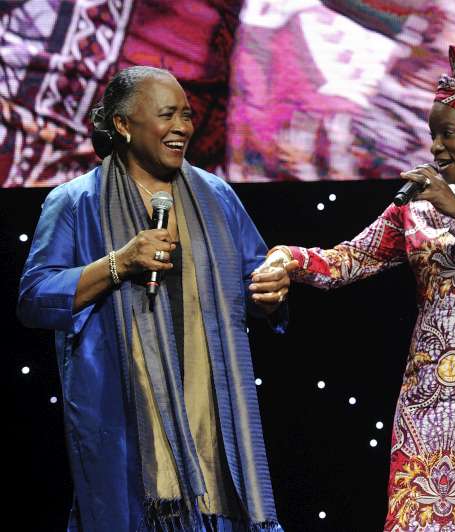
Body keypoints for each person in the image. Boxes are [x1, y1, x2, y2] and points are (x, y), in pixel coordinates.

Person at [266, 46, 455, 530]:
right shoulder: (416, 207)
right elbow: (347, 260)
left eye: (448, 133)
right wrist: (287, 256)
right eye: (432, 135)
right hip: (428, 395)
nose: (436, 147)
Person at [17, 66, 295, 532]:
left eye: (187, 116)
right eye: (168, 115)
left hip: (211, 419)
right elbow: (34, 297)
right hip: (125, 423)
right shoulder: (75, 201)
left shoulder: (217, 196)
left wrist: (271, 291)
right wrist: (117, 264)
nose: (183, 127)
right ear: (124, 124)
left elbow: (256, 274)